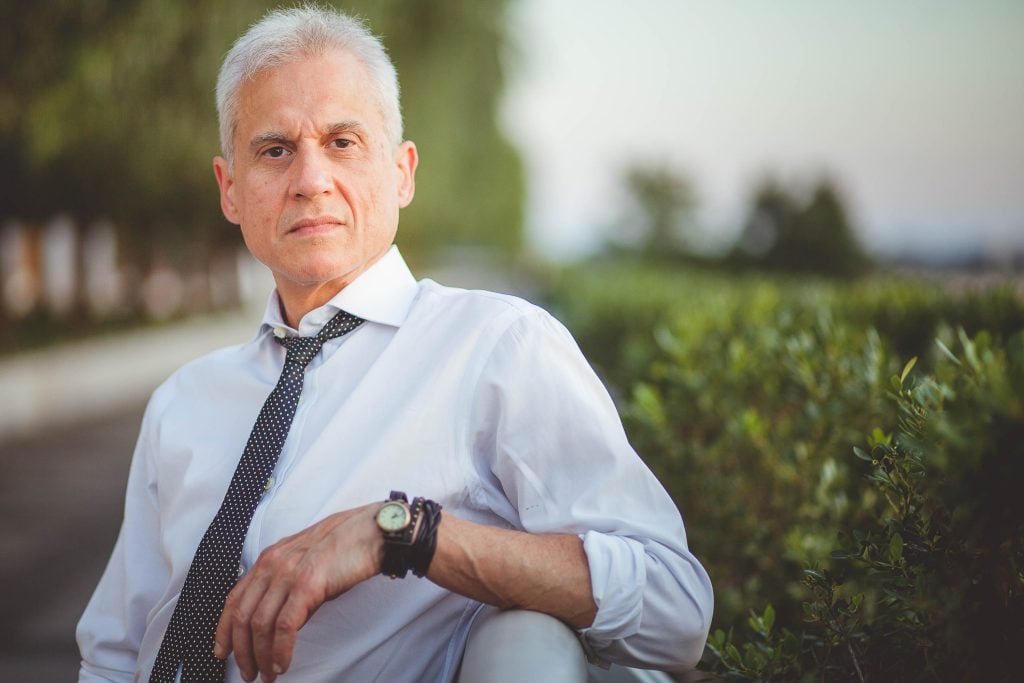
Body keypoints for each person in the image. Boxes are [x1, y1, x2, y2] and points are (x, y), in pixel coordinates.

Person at [77, 6, 712, 682]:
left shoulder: (499, 349)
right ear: (230, 189)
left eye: (343, 141)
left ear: (403, 172)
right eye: (274, 149)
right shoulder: (181, 401)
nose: (311, 179)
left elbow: (675, 608)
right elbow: (113, 655)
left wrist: (407, 532)